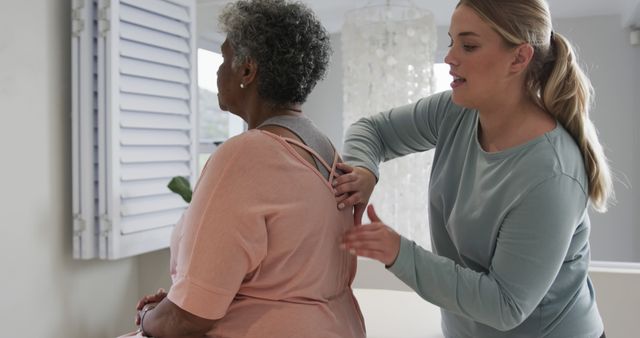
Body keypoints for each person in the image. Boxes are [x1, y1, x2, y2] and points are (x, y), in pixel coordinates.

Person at [335, 0, 612, 337]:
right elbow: (372, 130)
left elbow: (505, 305)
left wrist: (398, 252)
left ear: (519, 58)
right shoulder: (457, 112)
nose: (450, 57)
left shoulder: (551, 175)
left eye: (469, 45)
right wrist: (365, 170)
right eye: (452, 42)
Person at [130, 1, 365, 337]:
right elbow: (273, 277)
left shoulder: (245, 155)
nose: (217, 71)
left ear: (246, 71)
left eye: (224, 58)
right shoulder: (325, 150)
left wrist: (149, 317)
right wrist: (178, 301)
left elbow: (190, 318)